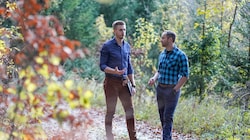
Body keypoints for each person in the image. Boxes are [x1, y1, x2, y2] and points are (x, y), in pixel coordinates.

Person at [148, 30, 189, 140]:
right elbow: (159, 70)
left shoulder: (180, 55)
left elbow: (185, 75)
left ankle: (166, 138)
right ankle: (166, 136)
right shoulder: (162, 54)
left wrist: (175, 89)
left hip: (172, 91)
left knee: (168, 116)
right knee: (162, 116)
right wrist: (154, 78)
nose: (161, 40)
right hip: (160, 89)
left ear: (170, 39)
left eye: (163, 38)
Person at [99, 20, 137, 140]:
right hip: (111, 83)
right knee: (111, 111)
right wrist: (114, 71)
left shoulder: (127, 46)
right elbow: (102, 66)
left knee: (130, 111)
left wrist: (133, 84)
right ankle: (109, 137)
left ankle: (133, 137)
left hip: (124, 83)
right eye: (120, 30)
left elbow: (129, 66)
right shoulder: (107, 46)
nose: (123, 32)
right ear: (114, 31)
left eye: (124, 29)